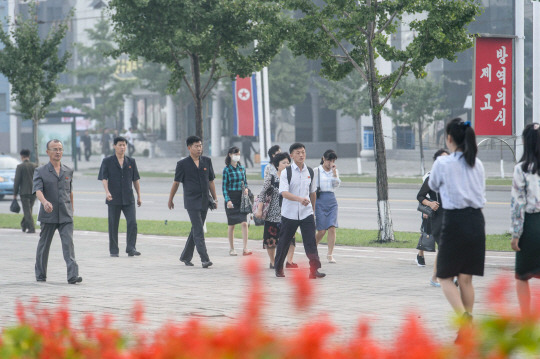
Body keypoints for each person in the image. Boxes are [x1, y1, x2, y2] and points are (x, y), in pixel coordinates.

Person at [428, 118, 485, 339]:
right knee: (465, 279)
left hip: (454, 221)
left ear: (449, 138)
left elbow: (432, 185)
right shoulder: (476, 163)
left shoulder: (443, 163)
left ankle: (465, 320)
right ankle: (465, 330)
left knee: (444, 276)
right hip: (476, 222)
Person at [33, 139, 82, 284]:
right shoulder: (40, 171)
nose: (58, 152)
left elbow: (70, 191)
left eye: (60, 149)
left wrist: (71, 209)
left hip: (66, 215)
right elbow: (38, 190)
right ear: (47, 152)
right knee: (44, 245)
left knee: (68, 245)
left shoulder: (68, 170)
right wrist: (45, 202)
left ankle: (72, 275)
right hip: (49, 214)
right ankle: (41, 274)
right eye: (54, 149)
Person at [274, 142, 325, 279]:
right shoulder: (286, 172)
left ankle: (314, 270)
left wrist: (312, 210)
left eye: (303, 152)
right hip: (289, 214)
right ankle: (278, 268)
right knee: (284, 242)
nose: (301, 155)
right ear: (291, 155)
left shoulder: (310, 171)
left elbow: (312, 192)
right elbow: (284, 193)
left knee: (311, 242)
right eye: (298, 153)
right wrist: (299, 199)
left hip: (306, 213)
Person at [168, 136, 217, 268]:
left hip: (204, 201)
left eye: (200, 145)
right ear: (189, 148)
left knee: (196, 229)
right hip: (191, 201)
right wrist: (170, 199)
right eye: (196, 146)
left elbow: (211, 181)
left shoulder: (206, 161)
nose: (199, 148)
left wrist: (215, 198)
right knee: (198, 230)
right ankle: (204, 259)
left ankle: (185, 256)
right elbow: (176, 183)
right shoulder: (182, 164)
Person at [511, 123, 540, 317]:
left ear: (525, 142)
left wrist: (516, 234)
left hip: (531, 226)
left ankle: (526, 322)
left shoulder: (521, 169)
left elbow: (518, 204)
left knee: (522, 276)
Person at [98, 136, 142, 257]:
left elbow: (135, 180)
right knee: (113, 224)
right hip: (113, 198)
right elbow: (104, 178)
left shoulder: (131, 162)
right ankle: (114, 250)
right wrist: (107, 192)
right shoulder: (107, 161)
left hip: (128, 198)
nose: (122, 147)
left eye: (124, 145)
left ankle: (131, 248)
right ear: (114, 146)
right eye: (120, 145)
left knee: (132, 222)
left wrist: (139, 196)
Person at [256, 152, 298, 269]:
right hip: (273, 214)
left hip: (288, 213)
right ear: (277, 165)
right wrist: (260, 209)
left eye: (288, 162)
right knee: (271, 240)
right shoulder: (271, 177)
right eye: (283, 163)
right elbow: (263, 193)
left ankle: (289, 261)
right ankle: (273, 261)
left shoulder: (292, 178)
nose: (287, 164)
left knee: (291, 238)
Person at [415, 149, 449, 287]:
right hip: (439, 217)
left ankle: (443, 276)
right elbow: (420, 196)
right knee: (444, 247)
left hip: (453, 216)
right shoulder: (431, 178)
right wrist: (430, 203)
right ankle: (436, 278)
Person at [223, 146, 252, 256]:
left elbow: (245, 182)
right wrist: (228, 200)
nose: (237, 156)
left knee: (244, 223)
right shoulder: (226, 170)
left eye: (239, 154)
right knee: (232, 225)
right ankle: (232, 248)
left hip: (241, 198)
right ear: (230, 155)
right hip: (231, 198)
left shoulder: (242, 168)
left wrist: (245, 189)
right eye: (235, 154)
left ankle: (245, 248)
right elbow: (224, 187)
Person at [314, 150, 341, 263]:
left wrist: (334, 173)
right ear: (323, 159)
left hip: (331, 200)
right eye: (329, 160)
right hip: (320, 199)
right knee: (321, 230)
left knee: (332, 227)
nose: (331, 162)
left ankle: (330, 254)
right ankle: (312, 247)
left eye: (333, 160)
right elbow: (312, 187)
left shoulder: (334, 171)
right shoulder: (317, 170)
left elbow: (335, 186)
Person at [13, 149, 37, 233]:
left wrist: (15, 194)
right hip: (34, 192)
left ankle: (31, 228)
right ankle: (24, 224)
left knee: (27, 210)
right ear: (29, 156)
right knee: (29, 210)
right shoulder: (35, 166)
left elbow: (17, 181)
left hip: (24, 192)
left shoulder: (20, 167)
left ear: (21, 156)